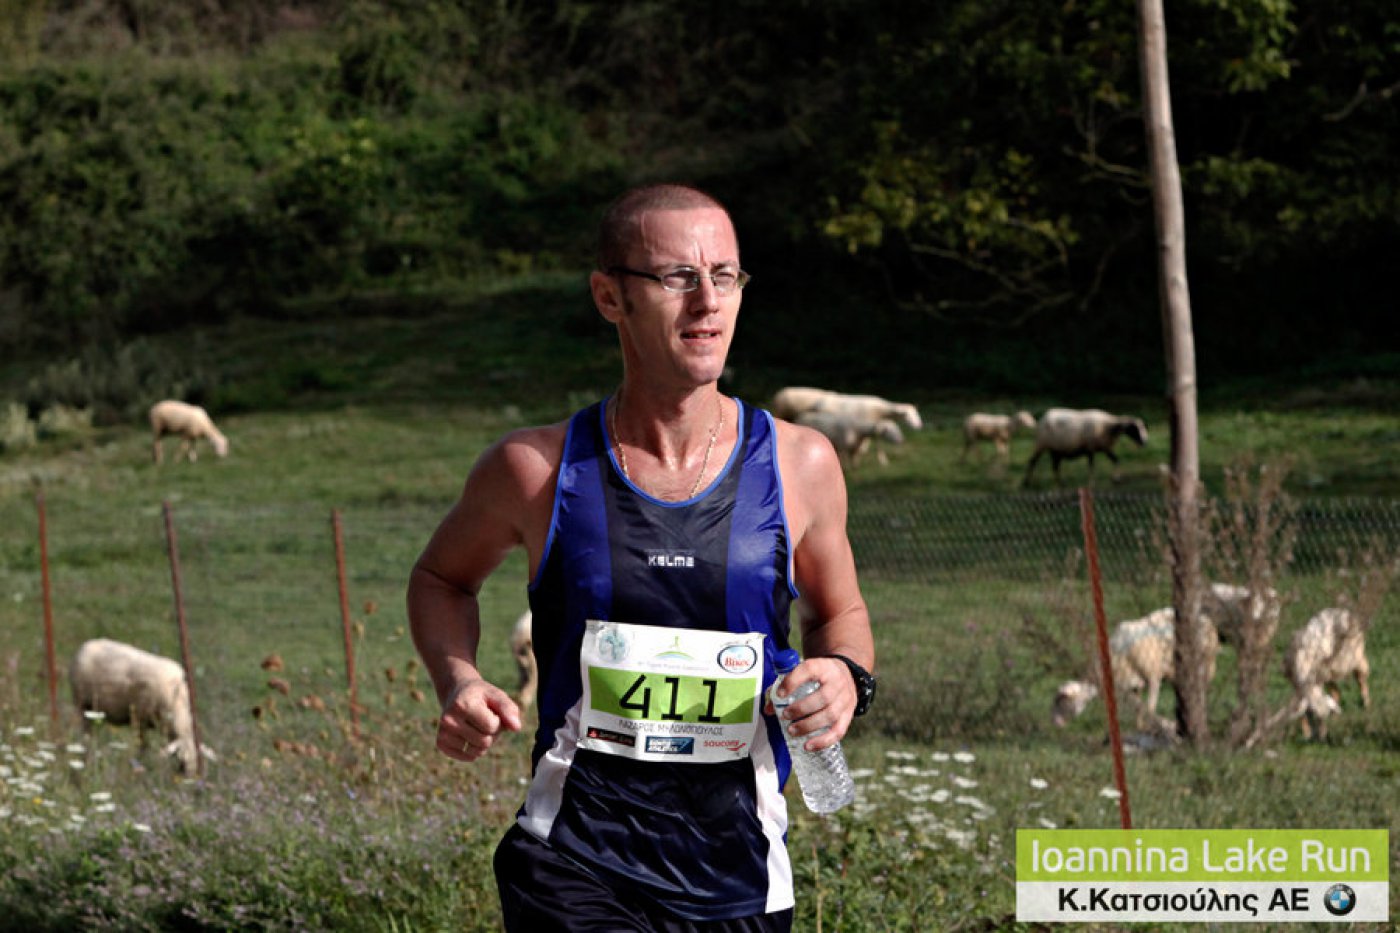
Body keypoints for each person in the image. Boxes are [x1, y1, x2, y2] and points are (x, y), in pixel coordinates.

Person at [407, 182, 877, 931]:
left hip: (741, 873)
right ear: (610, 297)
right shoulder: (534, 469)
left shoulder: (802, 463)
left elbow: (840, 612)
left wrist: (847, 676)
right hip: (573, 860)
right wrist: (457, 678)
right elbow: (441, 579)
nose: (707, 302)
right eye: (677, 277)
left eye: (724, 275)